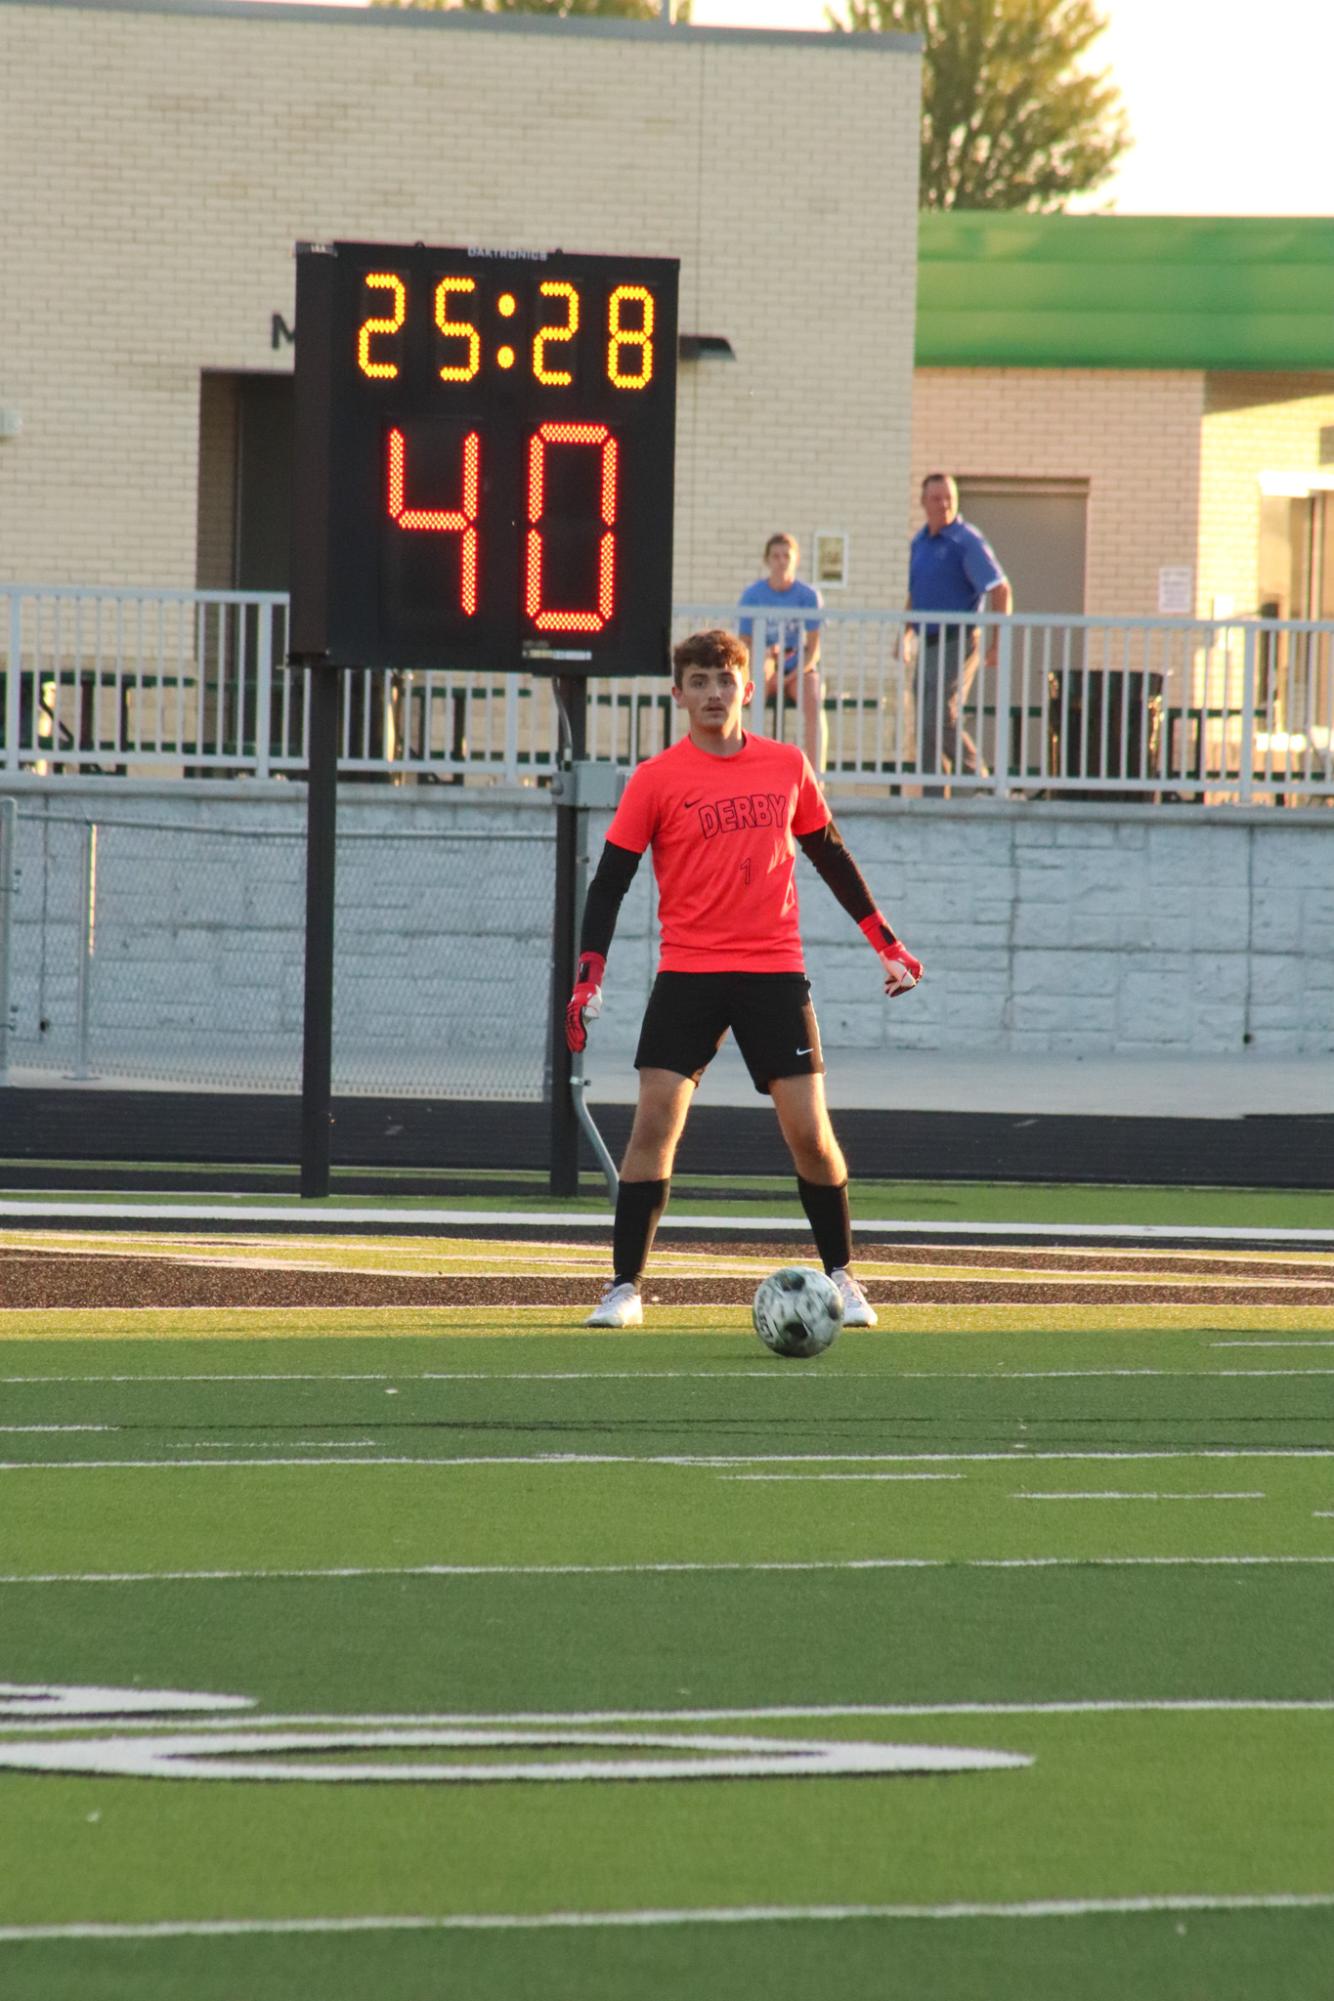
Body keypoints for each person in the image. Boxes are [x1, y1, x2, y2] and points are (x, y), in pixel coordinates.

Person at [564, 626, 923, 1331]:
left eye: (724, 680)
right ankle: (624, 1287)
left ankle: (843, 1276)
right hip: (689, 970)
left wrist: (885, 940)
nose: (711, 693)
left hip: (773, 970)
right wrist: (588, 973)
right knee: (653, 1126)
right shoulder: (656, 777)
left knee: (810, 1133)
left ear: (747, 689)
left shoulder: (787, 765)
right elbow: (609, 882)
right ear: (678, 693)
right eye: (697, 681)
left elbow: (833, 857)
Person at [904, 475, 1012, 794]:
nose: (944, 504)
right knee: (924, 720)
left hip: (959, 638)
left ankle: (979, 780)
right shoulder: (920, 542)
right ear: (923, 502)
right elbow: (915, 592)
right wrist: (906, 634)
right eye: (936, 498)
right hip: (929, 641)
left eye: (949, 497)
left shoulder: (965, 540)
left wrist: (997, 643)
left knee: (940, 714)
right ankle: (933, 795)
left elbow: (1000, 588)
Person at [738, 532, 827, 773]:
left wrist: (788, 676)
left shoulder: (808, 596)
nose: (781, 561)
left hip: (799, 668)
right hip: (764, 664)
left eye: (786, 555)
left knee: (814, 697)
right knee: (750, 688)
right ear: (767, 560)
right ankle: (753, 769)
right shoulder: (753, 595)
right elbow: (744, 643)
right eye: (775, 556)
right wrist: (765, 661)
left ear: (796, 559)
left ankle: (815, 776)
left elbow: (814, 649)